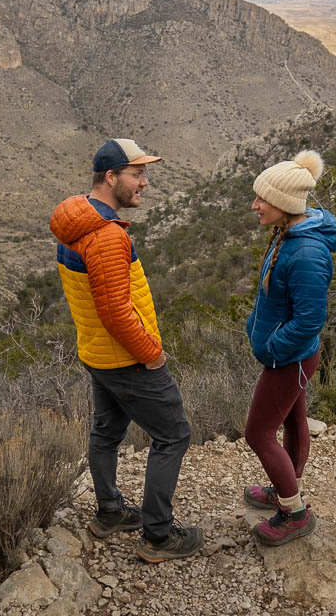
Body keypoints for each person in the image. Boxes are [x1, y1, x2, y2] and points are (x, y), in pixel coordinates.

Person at [49, 138, 203, 562]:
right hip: (127, 359)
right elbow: (117, 313)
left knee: (107, 432)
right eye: (137, 175)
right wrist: (152, 353)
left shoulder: (76, 223)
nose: (145, 184)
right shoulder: (105, 237)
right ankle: (158, 536)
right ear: (111, 177)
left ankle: (111, 513)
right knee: (173, 435)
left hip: (96, 353)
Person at [242, 149, 336, 546]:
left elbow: (310, 320)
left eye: (261, 199)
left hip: (290, 358)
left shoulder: (305, 251)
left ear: (284, 204)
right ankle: (287, 487)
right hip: (290, 357)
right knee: (292, 420)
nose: (254, 205)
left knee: (258, 433)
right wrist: (257, 329)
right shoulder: (289, 232)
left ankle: (294, 512)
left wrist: (272, 349)